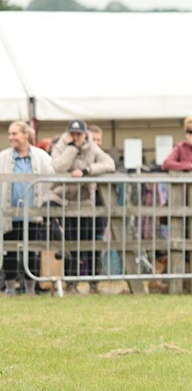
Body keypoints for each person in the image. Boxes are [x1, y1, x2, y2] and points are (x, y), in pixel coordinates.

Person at [50, 119, 116, 283]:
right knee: (71, 244)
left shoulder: (92, 148)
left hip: (87, 202)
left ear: (85, 134)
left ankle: (94, 281)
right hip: (66, 202)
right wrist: (71, 148)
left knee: (89, 243)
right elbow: (58, 167)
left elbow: (110, 164)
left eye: (78, 134)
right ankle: (71, 282)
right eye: (72, 133)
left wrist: (87, 171)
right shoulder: (61, 146)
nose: (75, 136)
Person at [1, 121, 55, 294]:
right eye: (10, 134)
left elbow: (53, 177)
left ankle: (30, 289)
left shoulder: (41, 157)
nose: (11, 137)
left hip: (32, 214)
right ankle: (10, 288)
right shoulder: (3, 158)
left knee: (31, 252)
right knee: (9, 252)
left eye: (14, 133)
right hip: (9, 214)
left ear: (26, 135)